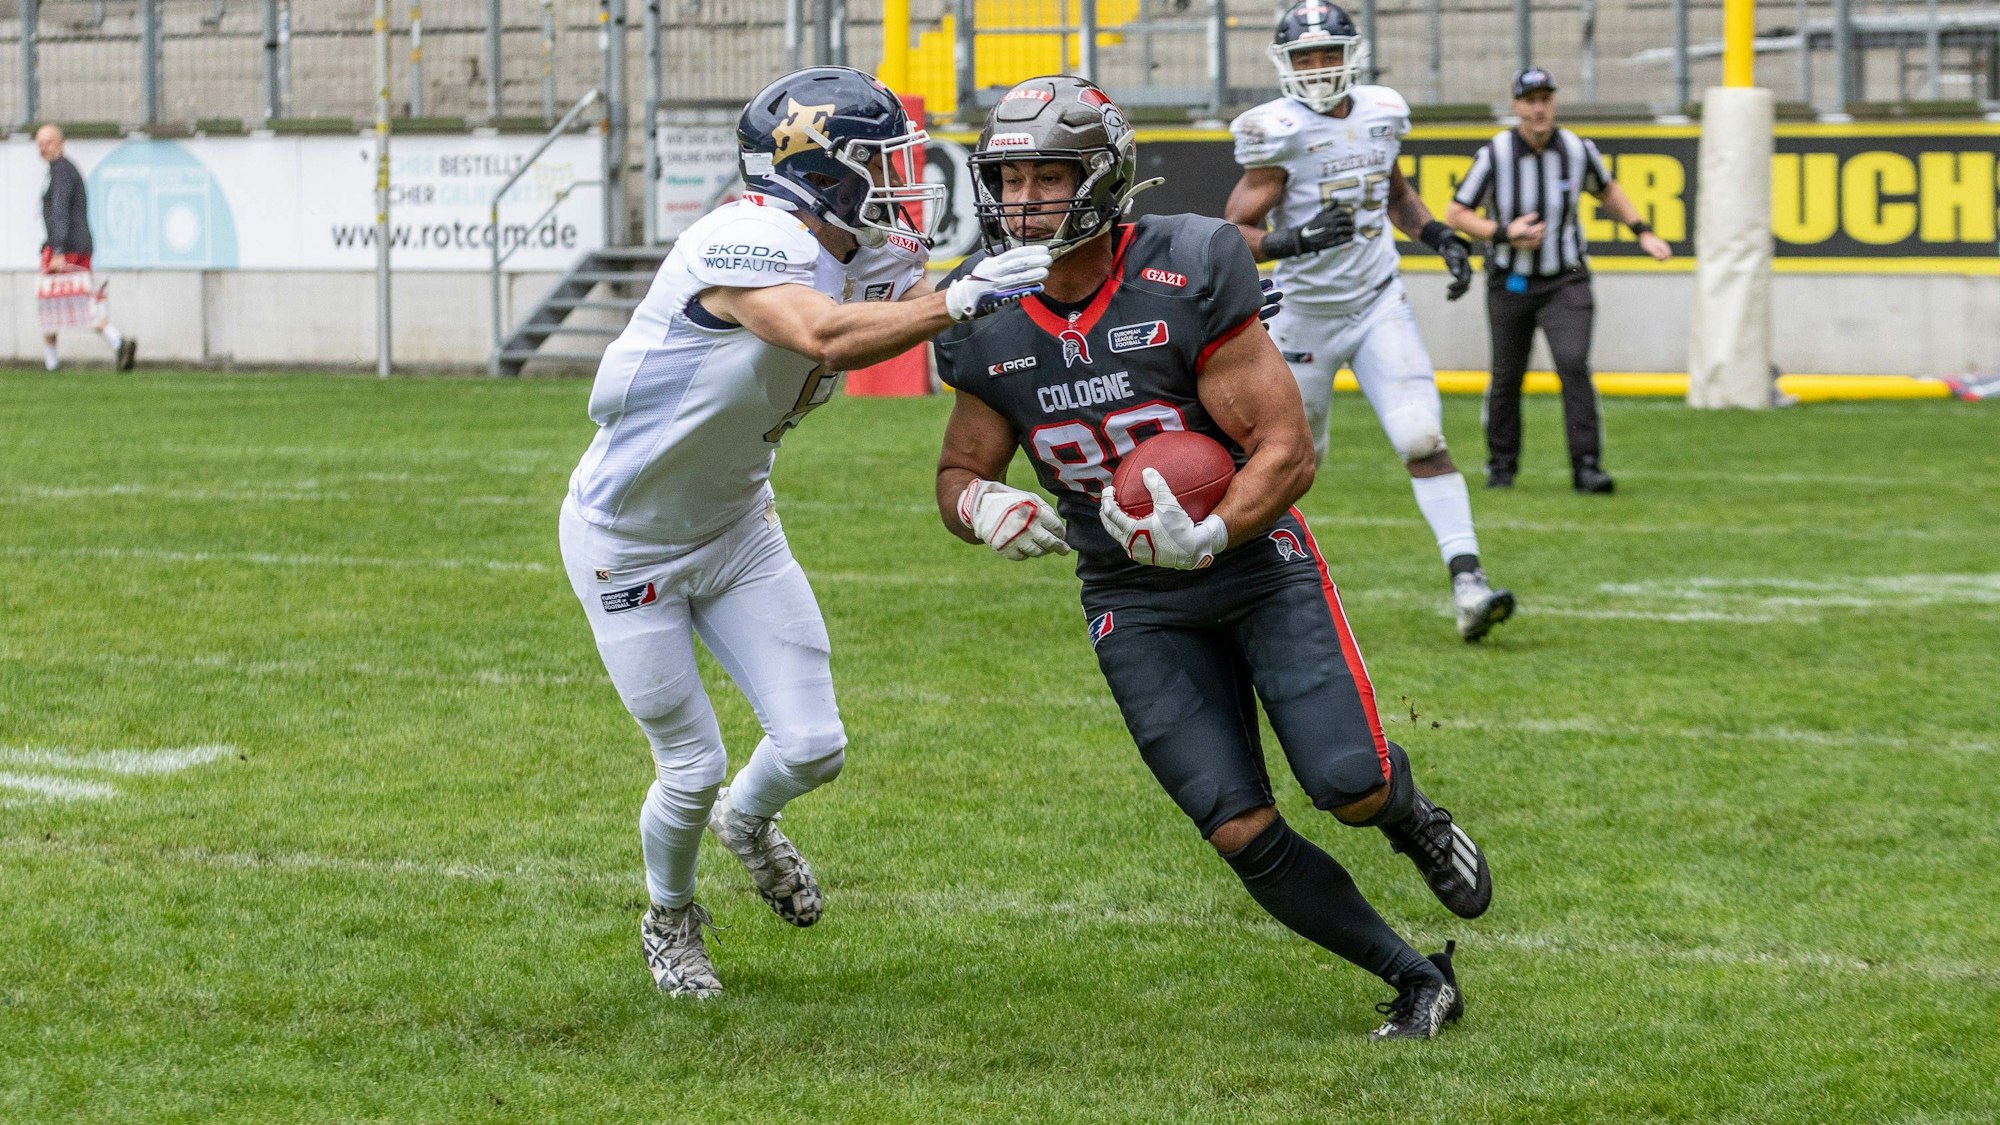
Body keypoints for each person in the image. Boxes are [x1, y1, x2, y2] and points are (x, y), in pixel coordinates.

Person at [931, 75, 1493, 1041]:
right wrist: (979, 505)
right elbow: (958, 468)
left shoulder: (1188, 263)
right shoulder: (985, 310)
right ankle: (1413, 976)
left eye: (1049, 177)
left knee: (1348, 783)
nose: (1024, 201)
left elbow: (1287, 449)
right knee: (1235, 822)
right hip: (1129, 592)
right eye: (1009, 180)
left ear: (1103, 180)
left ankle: (1410, 814)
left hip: (1254, 559)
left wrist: (1215, 530)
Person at [558, 66, 1050, 998]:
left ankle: (748, 823)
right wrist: (957, 297)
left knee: (816, 745)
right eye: (882, 162)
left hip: (738, 522)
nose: (903, 180)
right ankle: (669, 918)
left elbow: (962, 322)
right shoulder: (743, 238)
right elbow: (823, 334)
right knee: (691, 766)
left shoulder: (867, 254)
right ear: (820, 170)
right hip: (628, 541)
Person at [1223, 0, 1513, 643]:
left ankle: (1468, 581)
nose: (1319, 67)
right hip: (1302, 314)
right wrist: (1294, 240)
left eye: (1329, 53)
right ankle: (1232, 588)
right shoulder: (1278, 132)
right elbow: (1234, 234)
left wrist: (1439, 236)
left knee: (1420, 435)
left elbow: (1395, 194)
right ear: (1287, 64)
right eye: (1306, 57)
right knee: (1287, 461)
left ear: (1352, 56)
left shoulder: (1381, 113)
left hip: (1379, 301)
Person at [1444, 67, 1674, 494]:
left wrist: (1642, 230)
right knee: (1507, 375)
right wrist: (1504, 232)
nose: (1539, 108)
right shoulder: (1495, 154)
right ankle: (1501, 467)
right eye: (1530, 100)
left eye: (1545, 99)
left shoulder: (1576, 149)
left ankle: (1587, 467)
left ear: (1554, 103)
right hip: (1510, 280)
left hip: (1565, 279)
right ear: (1516, 106)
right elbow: (1456, 213)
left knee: (1573, 365)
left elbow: (1607, 189)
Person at [37, 124, 136, 372]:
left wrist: (57, 250)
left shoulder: (62, 172)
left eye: (47, 143)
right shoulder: (58, 171)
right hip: (70, 246)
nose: (42, 148)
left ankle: (115, 342)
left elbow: (60, 211)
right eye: (39, 143)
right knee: (56, 301)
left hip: (67, 249)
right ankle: (54, 361)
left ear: (61, 143)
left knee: (61, 301)